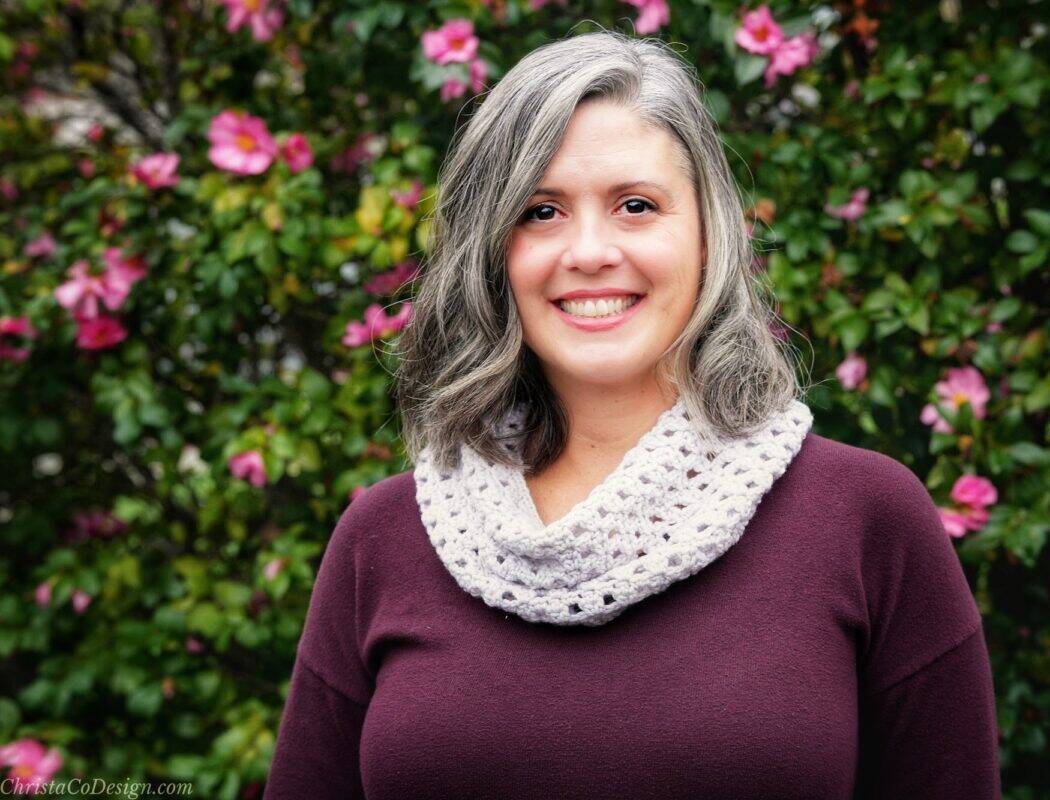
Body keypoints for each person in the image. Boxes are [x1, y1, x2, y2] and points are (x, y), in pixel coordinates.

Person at [263, 29, 1000, 800]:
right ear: (492, 251)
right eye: (541, 210)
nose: (588, 250)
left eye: (636, 205)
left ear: (710, 234)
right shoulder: (384, 540)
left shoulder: (866, 521)